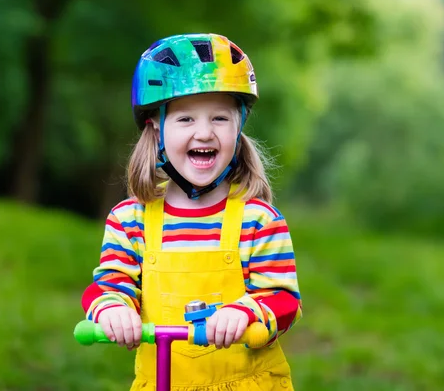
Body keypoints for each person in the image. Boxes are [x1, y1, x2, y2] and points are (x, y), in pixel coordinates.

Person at [81, 33, 302, 390]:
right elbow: (110, 283)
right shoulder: (129, 221)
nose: (204, 133)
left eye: (219, 118)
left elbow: (283, 300)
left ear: (239, 125)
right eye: (185, 119)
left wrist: (243, 312)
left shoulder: (259, 220)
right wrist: (113, 309)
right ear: (157, 128)